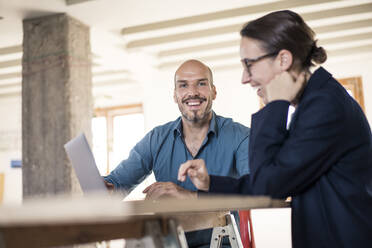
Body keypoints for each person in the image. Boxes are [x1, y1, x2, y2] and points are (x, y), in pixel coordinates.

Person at [178, 10, 372, 248]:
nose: (244, 78)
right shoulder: (317, 100)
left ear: (283, 60)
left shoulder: (324, 106)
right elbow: (274, 178)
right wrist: (210, 183)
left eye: (249, 64)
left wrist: (276, 105)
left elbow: (270, 186)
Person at [104, 59, 250, 247]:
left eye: (201, 83)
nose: (192, 92)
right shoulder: (156, 139)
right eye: (183, 85)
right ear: (175, 95)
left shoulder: (241, 137)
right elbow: (117, 184)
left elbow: (254, 191)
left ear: (214, 91)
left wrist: (187, 196)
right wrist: (105, 188)